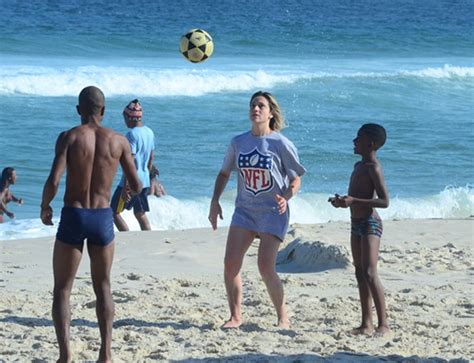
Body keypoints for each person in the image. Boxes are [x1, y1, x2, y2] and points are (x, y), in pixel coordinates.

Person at [40, 86, 142, 363]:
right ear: (104, 110)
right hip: (102, 218)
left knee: (62, 288)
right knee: (104, 286)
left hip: (73, 216)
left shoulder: (69, 137)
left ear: (78, 110)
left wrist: (44, 205)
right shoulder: (118, 140)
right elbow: (136, 183)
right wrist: (128, 194)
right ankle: (105, 354)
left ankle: (65, 356)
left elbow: (54, 179)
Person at [208, 91, 305, 329]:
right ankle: (235, 317)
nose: (256, 109)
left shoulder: (280, 143)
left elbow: (296, 180)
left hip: (273, 210)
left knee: (265, 267)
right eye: (253, 105)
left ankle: (283, 317)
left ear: (271, 113)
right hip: (245, 211)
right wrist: (215, 201)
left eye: (261, 105)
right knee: (230, 263)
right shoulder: (238, 142)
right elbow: (224, 173)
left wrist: (286, 197)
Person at [328, 123, 390, 337]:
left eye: (359, 138)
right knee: (359, 272)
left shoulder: (374, 167)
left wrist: (354, 200)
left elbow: (384, 201)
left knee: (371, 272)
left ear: (371, 144)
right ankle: (366, 324)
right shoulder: (358, 166)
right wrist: (342, 202)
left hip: (371, 223)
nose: (354, 141)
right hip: (356, 224)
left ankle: (384, 325)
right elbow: (353, 197)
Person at [110, 99, 155, 231]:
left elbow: (130, 162)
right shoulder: (149, 132)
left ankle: (126, 236)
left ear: (130, 117)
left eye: (124, 117)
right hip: (145, 181)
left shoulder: (131, 135)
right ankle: (148, 238)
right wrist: (151, 178)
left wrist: (125, 187)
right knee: (140, 213)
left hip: (132, 181)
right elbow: (151, 158)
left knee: (113, 212)